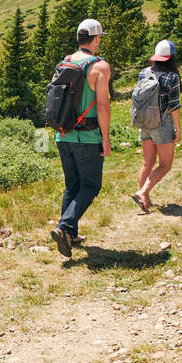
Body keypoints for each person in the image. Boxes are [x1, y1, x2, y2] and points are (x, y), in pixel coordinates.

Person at [49, 18, 112, 258]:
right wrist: (105, 138)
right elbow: (103, 106)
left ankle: (70, 235)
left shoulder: (64, 62)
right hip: (87, 137)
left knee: (72, 185)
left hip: (62, 135)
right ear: (96, 39)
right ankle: (64, 227)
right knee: (91, 186)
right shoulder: (100, 67)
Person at [132, 39, 182, 213]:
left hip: (144, 121)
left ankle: (145, 201)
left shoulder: (144, 73)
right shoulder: (172, 77)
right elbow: (174, 106)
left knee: (148, 162)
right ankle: (142, 192)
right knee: (165, 165)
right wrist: (178, 128)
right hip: (162, 122)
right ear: (172, 57)